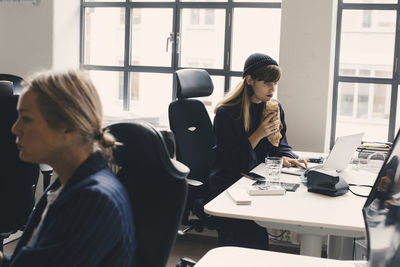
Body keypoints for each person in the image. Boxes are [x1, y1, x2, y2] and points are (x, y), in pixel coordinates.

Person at [0, 70, 135, 267]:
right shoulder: (65, 186)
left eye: (26, 119)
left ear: (68, 127)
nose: (15, 128)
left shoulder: (92, 200)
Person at [208, 53, 307, 249]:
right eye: (267, 83)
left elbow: (280, 144)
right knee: (250, 243)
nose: (272, 89)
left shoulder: (273, 107)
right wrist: (258, 134)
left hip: (255, 179)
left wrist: (288, 157)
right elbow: (230, 161)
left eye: (275, 83)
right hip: (229, 183)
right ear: (250, 80)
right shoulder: (227, 113)